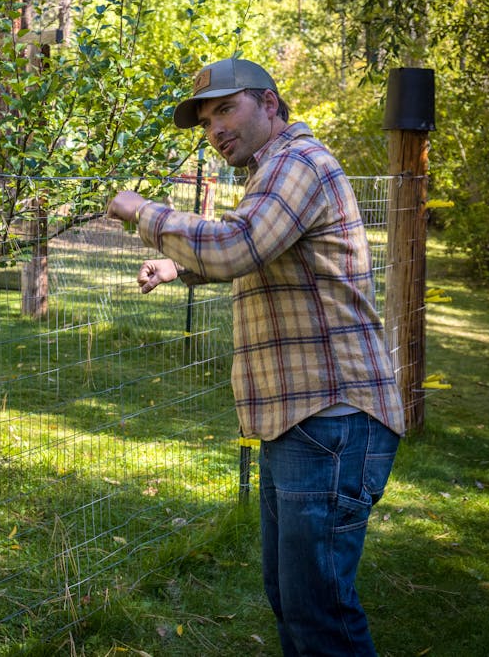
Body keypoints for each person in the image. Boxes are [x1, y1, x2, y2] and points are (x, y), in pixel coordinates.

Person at [107, 58, 405, 656]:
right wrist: (179, 266)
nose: (215, 129)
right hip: (300, 421)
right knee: (293, 601)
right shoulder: (273, 170)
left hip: (331, 418)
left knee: (320, 612)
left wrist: (144, 213)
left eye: (225, 109)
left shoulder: (300, 164)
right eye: (206, 120)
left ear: (269, 103)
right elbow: (264, 248)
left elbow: (240, 244)